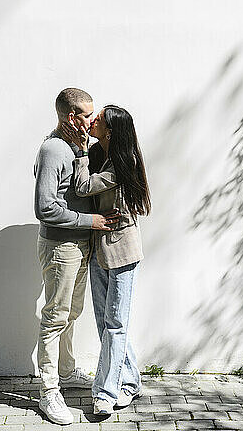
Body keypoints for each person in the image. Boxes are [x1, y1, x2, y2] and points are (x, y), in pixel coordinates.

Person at [34, 88, 119, 425]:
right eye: (87, 114)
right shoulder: (54, 149)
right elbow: (44, 207)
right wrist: (90, 221)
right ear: (72, 117)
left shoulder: (76, 148)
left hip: (80, 246)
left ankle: (67, 372)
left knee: (72, 312)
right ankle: (48, 391)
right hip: (61, 247)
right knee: (55, 317)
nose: (93, 119)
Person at [62, 104, 151, 415]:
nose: (92, 120)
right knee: (106, 323)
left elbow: (84, 186)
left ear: (110, 131)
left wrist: (82, 149)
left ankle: (105, 392)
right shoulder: (103, 156)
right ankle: (131, 382)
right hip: (100, 248)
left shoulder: (121, 163)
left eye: (98, 119)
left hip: (123, 251)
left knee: (115, 324)